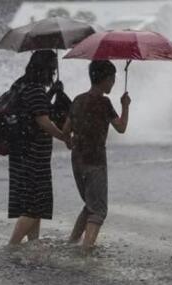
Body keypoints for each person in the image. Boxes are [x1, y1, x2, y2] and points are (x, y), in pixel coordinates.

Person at [62, 60, 131, 253]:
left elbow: (66, 130)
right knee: (98, 210)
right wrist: (125, 106)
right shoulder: (104, 102)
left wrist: (70, 142)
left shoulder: (77, 100)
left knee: (89, 204)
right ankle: (86, 251)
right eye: (113, 79)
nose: (114, 83)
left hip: (77, 161)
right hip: (96, 161)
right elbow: (121, 127)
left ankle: (72, 242)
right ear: (106, 79)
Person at [8, 50, 69, 245]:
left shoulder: (22, 84)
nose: (52, 73)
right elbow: (42, 120)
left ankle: (33, 243)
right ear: (46, 69)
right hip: (33, 156)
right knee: (35, 206)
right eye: (52, 69)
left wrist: (52, 92)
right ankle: (13, 245)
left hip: (21, 154)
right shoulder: (35, 89)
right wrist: (64, 137)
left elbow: (34, 109)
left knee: (34, 204)